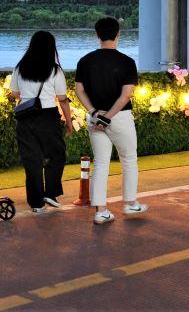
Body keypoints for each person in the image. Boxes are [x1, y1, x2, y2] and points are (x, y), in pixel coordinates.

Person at [75, 17, 148, 224]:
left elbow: (79, 90)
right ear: (118, 35)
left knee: (100, 164)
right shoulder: (127, 62)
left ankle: (101, 211)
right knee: (128, 159)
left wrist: (94, 112)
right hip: (120, 117)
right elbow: (126, 96)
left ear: (97, 35)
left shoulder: (85, 61)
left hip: (96, 117)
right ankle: (131, 204)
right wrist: (108, 117)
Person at [10, 31, 73, 213]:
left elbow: (15, 93)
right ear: (51, 48)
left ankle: (36, 203)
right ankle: (50, 193)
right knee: (57, 155)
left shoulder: (20, 67)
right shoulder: (54, 70)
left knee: (32, 160)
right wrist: (68, 122)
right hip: (48, 117)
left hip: (25, 116)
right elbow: (62, 98)